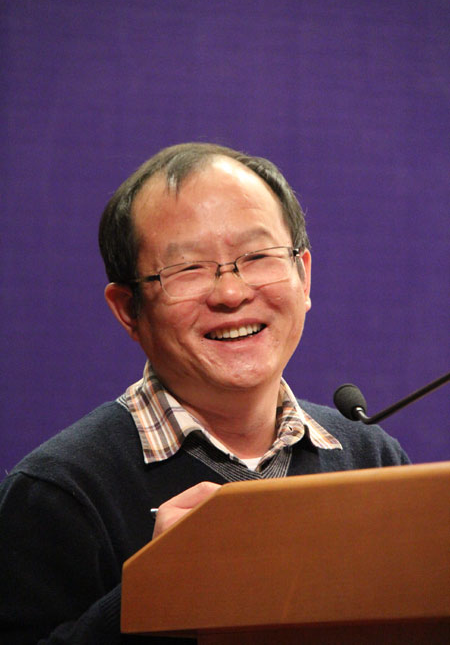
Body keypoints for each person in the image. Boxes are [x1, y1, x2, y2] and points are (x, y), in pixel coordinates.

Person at [0, 143, 409, 644]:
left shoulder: (372, 460)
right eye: (187, 268)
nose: (231, 294)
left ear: (303, 276)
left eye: (257, 257)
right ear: (128, 309)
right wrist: (155, 591)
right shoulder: (59, 491)